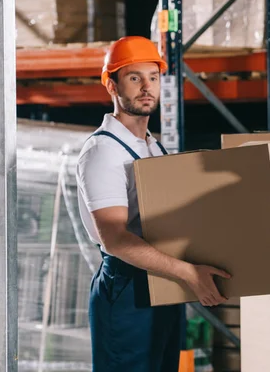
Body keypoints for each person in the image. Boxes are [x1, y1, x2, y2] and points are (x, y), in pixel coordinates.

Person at [76, 36, 231, 371]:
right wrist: (188, 272)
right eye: (134, 78)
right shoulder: (104, 152)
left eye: (154, 77)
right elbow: (115, 238)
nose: (147, 87)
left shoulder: (152, 147)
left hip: (162, 283)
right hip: (128, 288)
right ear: (111, 85)